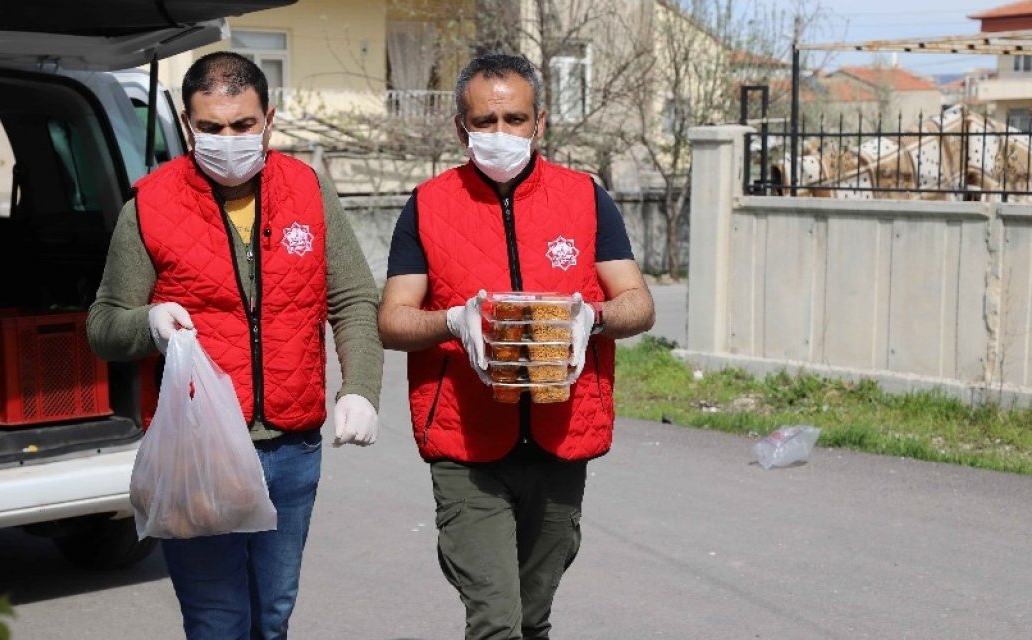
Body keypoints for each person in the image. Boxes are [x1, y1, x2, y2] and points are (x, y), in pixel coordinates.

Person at [87, 51, 383, 640]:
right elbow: (103, 325)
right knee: (218, 621)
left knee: (271, 617)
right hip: (199, 451)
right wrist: (149, 322)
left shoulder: (308, 190)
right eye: (212, 128)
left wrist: (361, 388)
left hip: (292, 450)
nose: (229, 140)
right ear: (187, 124)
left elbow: (351, 298)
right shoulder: (149, 205)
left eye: (243, 125)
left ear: (268, 118)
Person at [377, 53, 655, 640]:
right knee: (496, 622)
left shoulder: (585, 198)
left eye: (515, 118)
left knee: (532, 618)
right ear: (461, 128)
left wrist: (592, 318)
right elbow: (393, 321)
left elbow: (639, 303)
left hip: (561, 439)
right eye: (485, 121)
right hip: (466, 447)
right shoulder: (427, 206)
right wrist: (453, 320)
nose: (500, 133)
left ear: (540, 122)